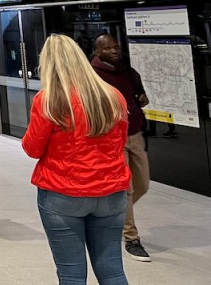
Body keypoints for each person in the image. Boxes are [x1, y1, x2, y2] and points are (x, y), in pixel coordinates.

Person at [23, 34, 131, 285]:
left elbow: (33, 149)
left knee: (71, 273)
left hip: (63, 193)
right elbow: (121, 140)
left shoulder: (49, 99)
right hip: (111, 192)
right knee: (112, 269)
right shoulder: (112, 95)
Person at [91, 33, 152, 262]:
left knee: (142, 184)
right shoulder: (93, 75)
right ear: (98, 51)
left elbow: (139, 93)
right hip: (111, 138)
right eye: (108, 48)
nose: (115, 51)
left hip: (134, 133)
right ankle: (131, 238)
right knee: (125, 189)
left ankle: (113, 214)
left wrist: (141, 98)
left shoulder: (128, 72)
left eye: (116, 47)